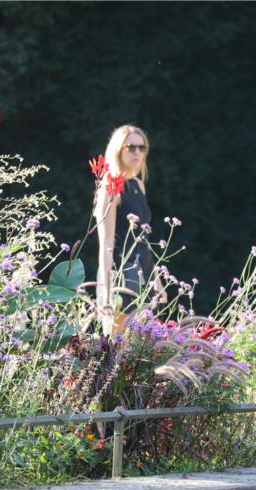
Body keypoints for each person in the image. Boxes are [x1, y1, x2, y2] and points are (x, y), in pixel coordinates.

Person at [93, 124, 164, 333]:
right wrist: (106, 291)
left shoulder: (138, 185)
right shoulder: (110, 188)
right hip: (121, 273)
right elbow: (106, 243)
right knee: (117, 343)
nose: (137, 153)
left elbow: (143, 239)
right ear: (118, 150)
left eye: (142, 148)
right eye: (131, 147)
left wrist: (157, 281)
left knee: (141, 344)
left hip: (144, 270)